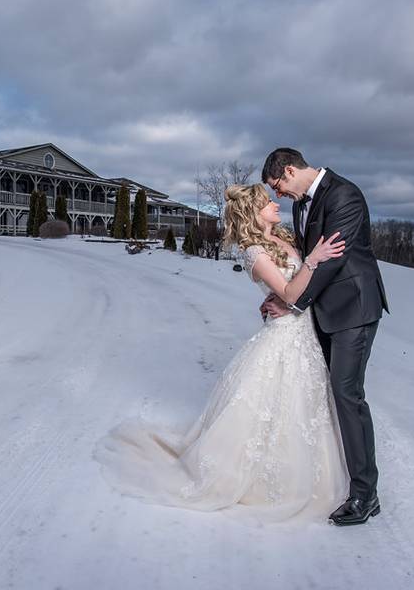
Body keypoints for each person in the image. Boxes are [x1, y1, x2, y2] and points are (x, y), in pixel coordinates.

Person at [93, 183, 350, 522]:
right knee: (277, 407)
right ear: (252, 213)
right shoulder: (254, 252)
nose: (275, 204)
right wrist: (313, 262)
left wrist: (295, 287)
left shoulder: (284, 239)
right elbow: (289, 291)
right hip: (285, 339)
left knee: (305, 407)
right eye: (267, 202)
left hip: (304, 337)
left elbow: (295, 294)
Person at [262, 147, 388, 526]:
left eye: (277, 187)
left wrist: (293, 304)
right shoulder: (303, 203)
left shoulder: (344, 195)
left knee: (347, 394)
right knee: (327, 393)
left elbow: (332, 259)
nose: (278, 196)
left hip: (354, 309)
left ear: (288, 171)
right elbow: (306, 258)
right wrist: (281, 289)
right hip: (325, 310)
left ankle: (365, 495)